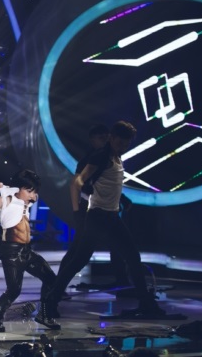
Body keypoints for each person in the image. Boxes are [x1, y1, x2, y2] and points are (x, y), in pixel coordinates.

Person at [44, 121, 165, 318]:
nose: (123, 146)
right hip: (98, 216)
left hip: (111, 216)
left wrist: (122, 200)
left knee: (132, 257)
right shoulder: (100, 156)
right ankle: (51, 301)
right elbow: (78, 180)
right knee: (79, 260)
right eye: (120, 142)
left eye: (126, 143)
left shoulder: (116, 156)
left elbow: (111, 183)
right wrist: (82, 192)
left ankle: (146, 303)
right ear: (112, 138)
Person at [0, 170, 61, 332]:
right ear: (19, 188)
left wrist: (31, 195)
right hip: (11, 252)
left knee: (51, 279)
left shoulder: (27, 202)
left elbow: (32, 197)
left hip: (26, 251)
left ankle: (44, 315)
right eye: (29, 191)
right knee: (14, 290)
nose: (33, 195)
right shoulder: (7, 199)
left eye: (34, 191)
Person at [59, 124, 128, 289]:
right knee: (78, 251)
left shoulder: (112, 156)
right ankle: (55, 286)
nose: (105, 141)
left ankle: (123, 280)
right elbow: (75, 184)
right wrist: (77, 212)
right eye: (101, 138)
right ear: (92, 140)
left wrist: (122, 199)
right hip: (90, 209)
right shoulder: (90, 159)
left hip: (107, 210)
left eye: (107, 137)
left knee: (118, 246)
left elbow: (109, 184)